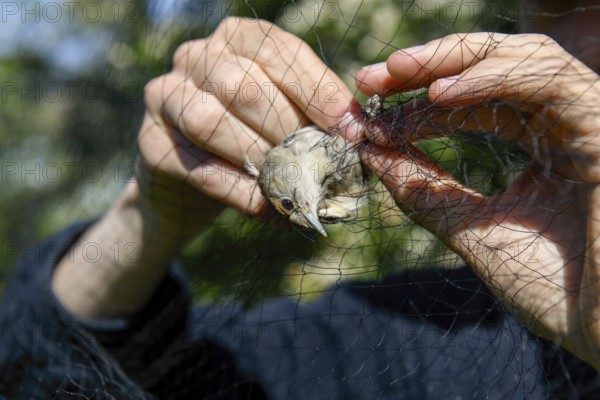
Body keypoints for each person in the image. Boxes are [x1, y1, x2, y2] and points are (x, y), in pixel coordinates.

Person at [2, 17, 600, 399]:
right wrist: (147, 224)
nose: (578, 47)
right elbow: (56, 378)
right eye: (556, 7)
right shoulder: (423, 338)